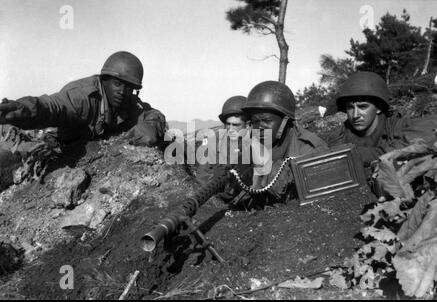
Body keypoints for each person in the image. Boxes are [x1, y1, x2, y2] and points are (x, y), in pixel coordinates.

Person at [0, 51, 167, 191]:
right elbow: (52, 106)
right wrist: (23, 110)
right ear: (104, 79)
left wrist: (151, 126)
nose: (122, 92)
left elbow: (152, 113)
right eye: (117, 84)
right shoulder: (82, 96)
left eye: (129, 88)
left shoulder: (127, 101)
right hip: (57, 147)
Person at [208, 81, 328, 209]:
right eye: (255, 121)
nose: (259, 127)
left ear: (285, 121)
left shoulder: (310, 150)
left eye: (266, 120)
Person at [326, 71, 437, 173]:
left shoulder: (395, 124)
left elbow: (430, 128)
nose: (355, 115)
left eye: (363, 107)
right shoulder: (340, 135)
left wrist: (364, 155)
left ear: (378, 108)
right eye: (350, 108)